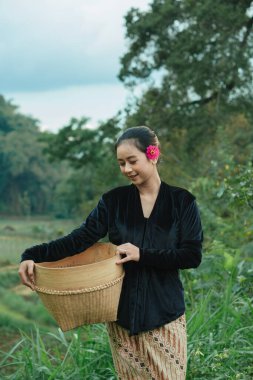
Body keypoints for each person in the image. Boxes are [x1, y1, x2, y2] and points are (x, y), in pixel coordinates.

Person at [19, 126, 203, 380]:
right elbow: (79, 239)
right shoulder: (113, 202)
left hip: (165, 315)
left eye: (132, 161)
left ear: (153, 155)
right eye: (121, 163)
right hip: (123, 318)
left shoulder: (182, 202)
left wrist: (143, 254)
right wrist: (31, 254)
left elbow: (192, 256)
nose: (127, 169)